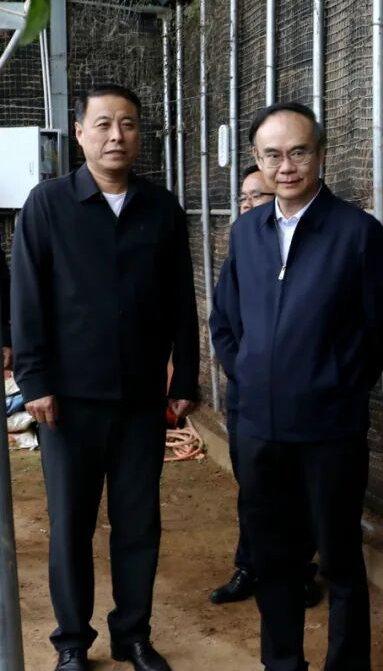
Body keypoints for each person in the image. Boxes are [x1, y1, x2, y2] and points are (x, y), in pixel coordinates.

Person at [11, 83, 200, 671]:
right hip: (67, 403)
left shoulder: (161, 208)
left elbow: (181, 301)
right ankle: (72, 641)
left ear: (139, 134)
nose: (116, 135)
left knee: (138, 523)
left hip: (141, 399)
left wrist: (185, 379)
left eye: (128, 124)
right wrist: (35, 380)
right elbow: (27, 298)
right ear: (80, 133)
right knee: (71, 524)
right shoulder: (48, 205)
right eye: (103, 124)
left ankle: (133, 634)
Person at [211, 101, 383, 671]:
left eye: (298, 152)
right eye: (273, 155)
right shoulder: (246, 232)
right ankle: (282, 662)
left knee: (339, 561)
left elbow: (381, 327)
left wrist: (336, 385)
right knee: (273, 559)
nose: (286, 166)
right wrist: (249, 376)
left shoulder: (357, 233)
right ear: (256, 158)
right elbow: (225, 321)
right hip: (259, 430)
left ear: (320, 154)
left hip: (329, 432)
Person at [209, 165, 321, 609]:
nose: (247, 205)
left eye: (256, 195)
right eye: (243, 197)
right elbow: (222, 322)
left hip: (303, 397)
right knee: (253, 487)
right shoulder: (241, 249)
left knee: (298, 487)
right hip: (249, 395)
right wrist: (246, 372)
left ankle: (300, 569)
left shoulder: (310, 250)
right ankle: (250, 565)